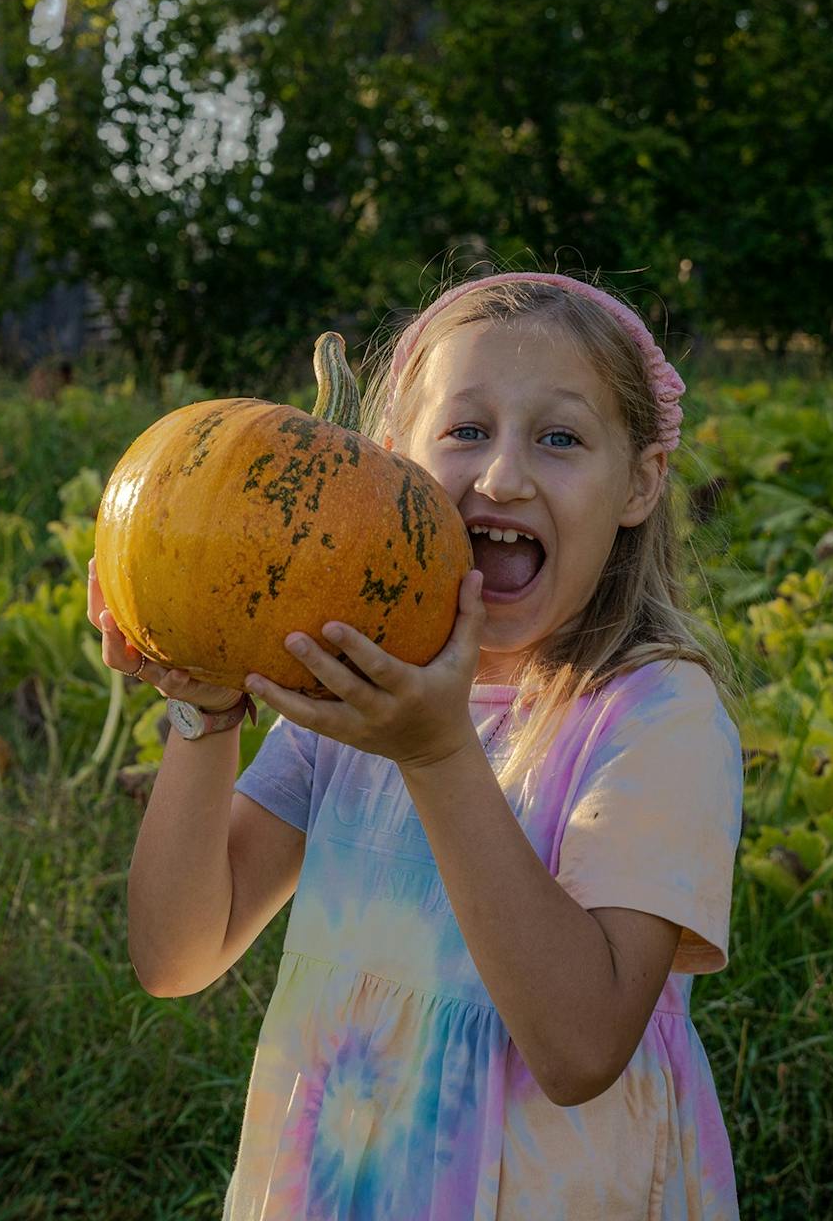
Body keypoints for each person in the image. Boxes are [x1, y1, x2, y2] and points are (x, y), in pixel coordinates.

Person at [94, 271, 742, 1219]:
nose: (504, 476)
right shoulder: (353, 703)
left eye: (560, 438)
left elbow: (579, 1049)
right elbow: (176, 954)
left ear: (640, 481)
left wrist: (438, 756)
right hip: (344, 1182)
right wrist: (206, 714)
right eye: (465, 432)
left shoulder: (655, 718)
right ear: (392, 463)